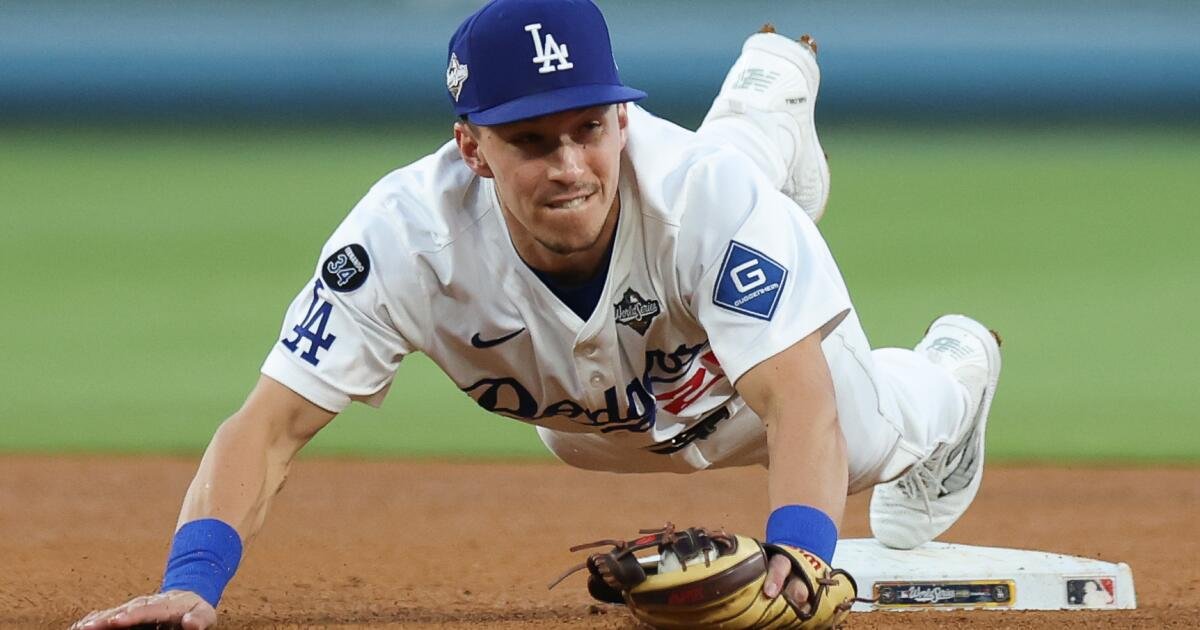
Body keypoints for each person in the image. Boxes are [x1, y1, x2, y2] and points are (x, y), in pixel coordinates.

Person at [72, 0, 1002, 628]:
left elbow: (802, 402)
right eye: (530, 139)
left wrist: (800, 558)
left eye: (589, 126)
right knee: (679, 258)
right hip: (595, 426)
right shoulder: (401, 239)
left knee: (868, 436)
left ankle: (957, 369)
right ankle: (766, 102)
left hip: (742, 386)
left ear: (621, 118)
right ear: (470, 146)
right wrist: (189, 586)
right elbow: (269, 425)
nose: (566, 161)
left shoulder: (697, 196)